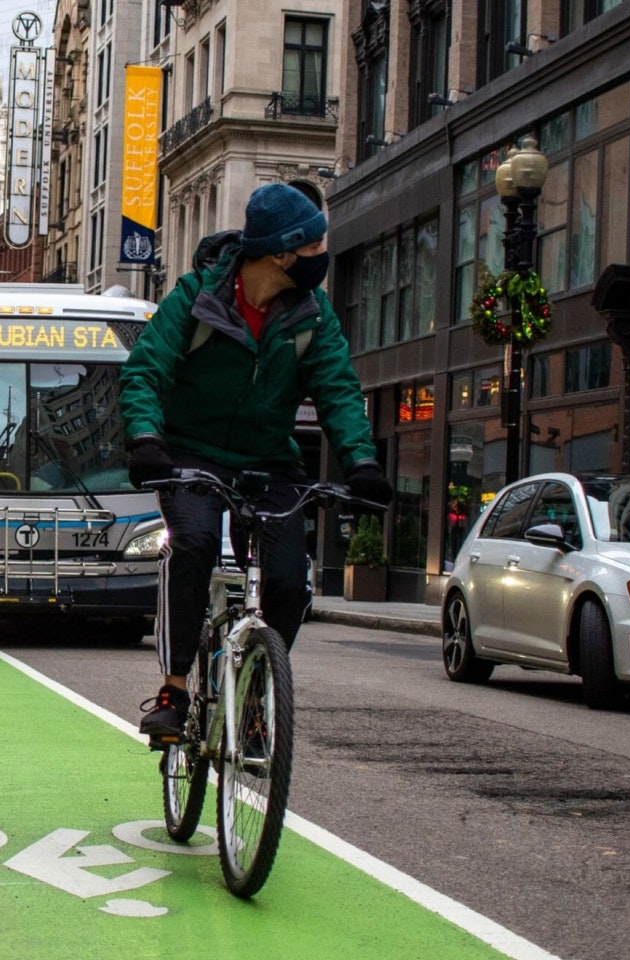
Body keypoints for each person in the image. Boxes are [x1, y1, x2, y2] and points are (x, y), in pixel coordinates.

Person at [120, 182, 393, 739]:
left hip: (270, 462)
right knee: (192, 546)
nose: (323, 256)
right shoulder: (196, 298)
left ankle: (254, 693)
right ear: (282, 254)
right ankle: (174, 689)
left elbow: (338, 390)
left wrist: (361, 463)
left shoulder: (312, 315)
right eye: (315, 246)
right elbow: (145, 370)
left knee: (290, 583)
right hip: (192, 455)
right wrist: (146, 438)